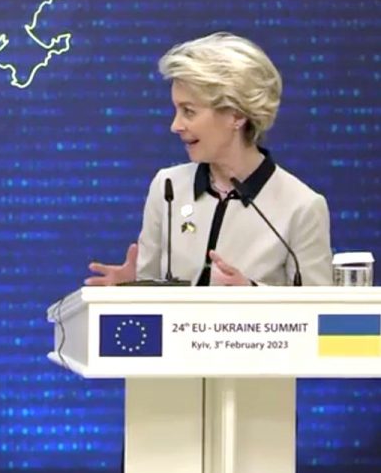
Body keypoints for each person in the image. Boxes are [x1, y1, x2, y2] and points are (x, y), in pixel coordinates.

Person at [87, 32, 332, 288]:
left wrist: (255, 295)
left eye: (189, 111)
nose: (175, 125)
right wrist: (132, 289)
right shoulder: (167, 188)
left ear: (236, 115)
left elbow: (322, 316)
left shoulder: (302, 207)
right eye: (176, 110)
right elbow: (152, 303)